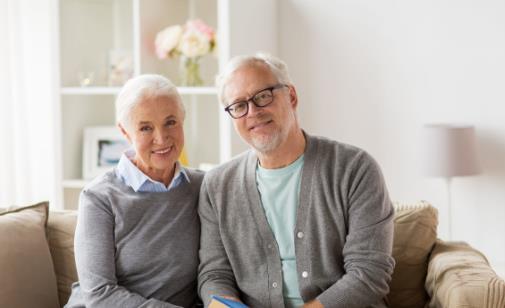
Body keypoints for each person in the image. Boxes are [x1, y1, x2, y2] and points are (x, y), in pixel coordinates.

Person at [198, 54, 395, 308]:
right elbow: (214, 274)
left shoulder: (354, 168)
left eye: (263, 96)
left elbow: (369, 274)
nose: (253, 112)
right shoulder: (216, 186)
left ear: (291, 96)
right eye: (239, 105)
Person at [65, 74, 204, 308]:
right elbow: (99, 295)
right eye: (145, 128)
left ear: (183, 119)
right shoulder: (99, 197)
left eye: (170, 122)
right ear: (125, 132)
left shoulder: (202, 187)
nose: (161, 138)